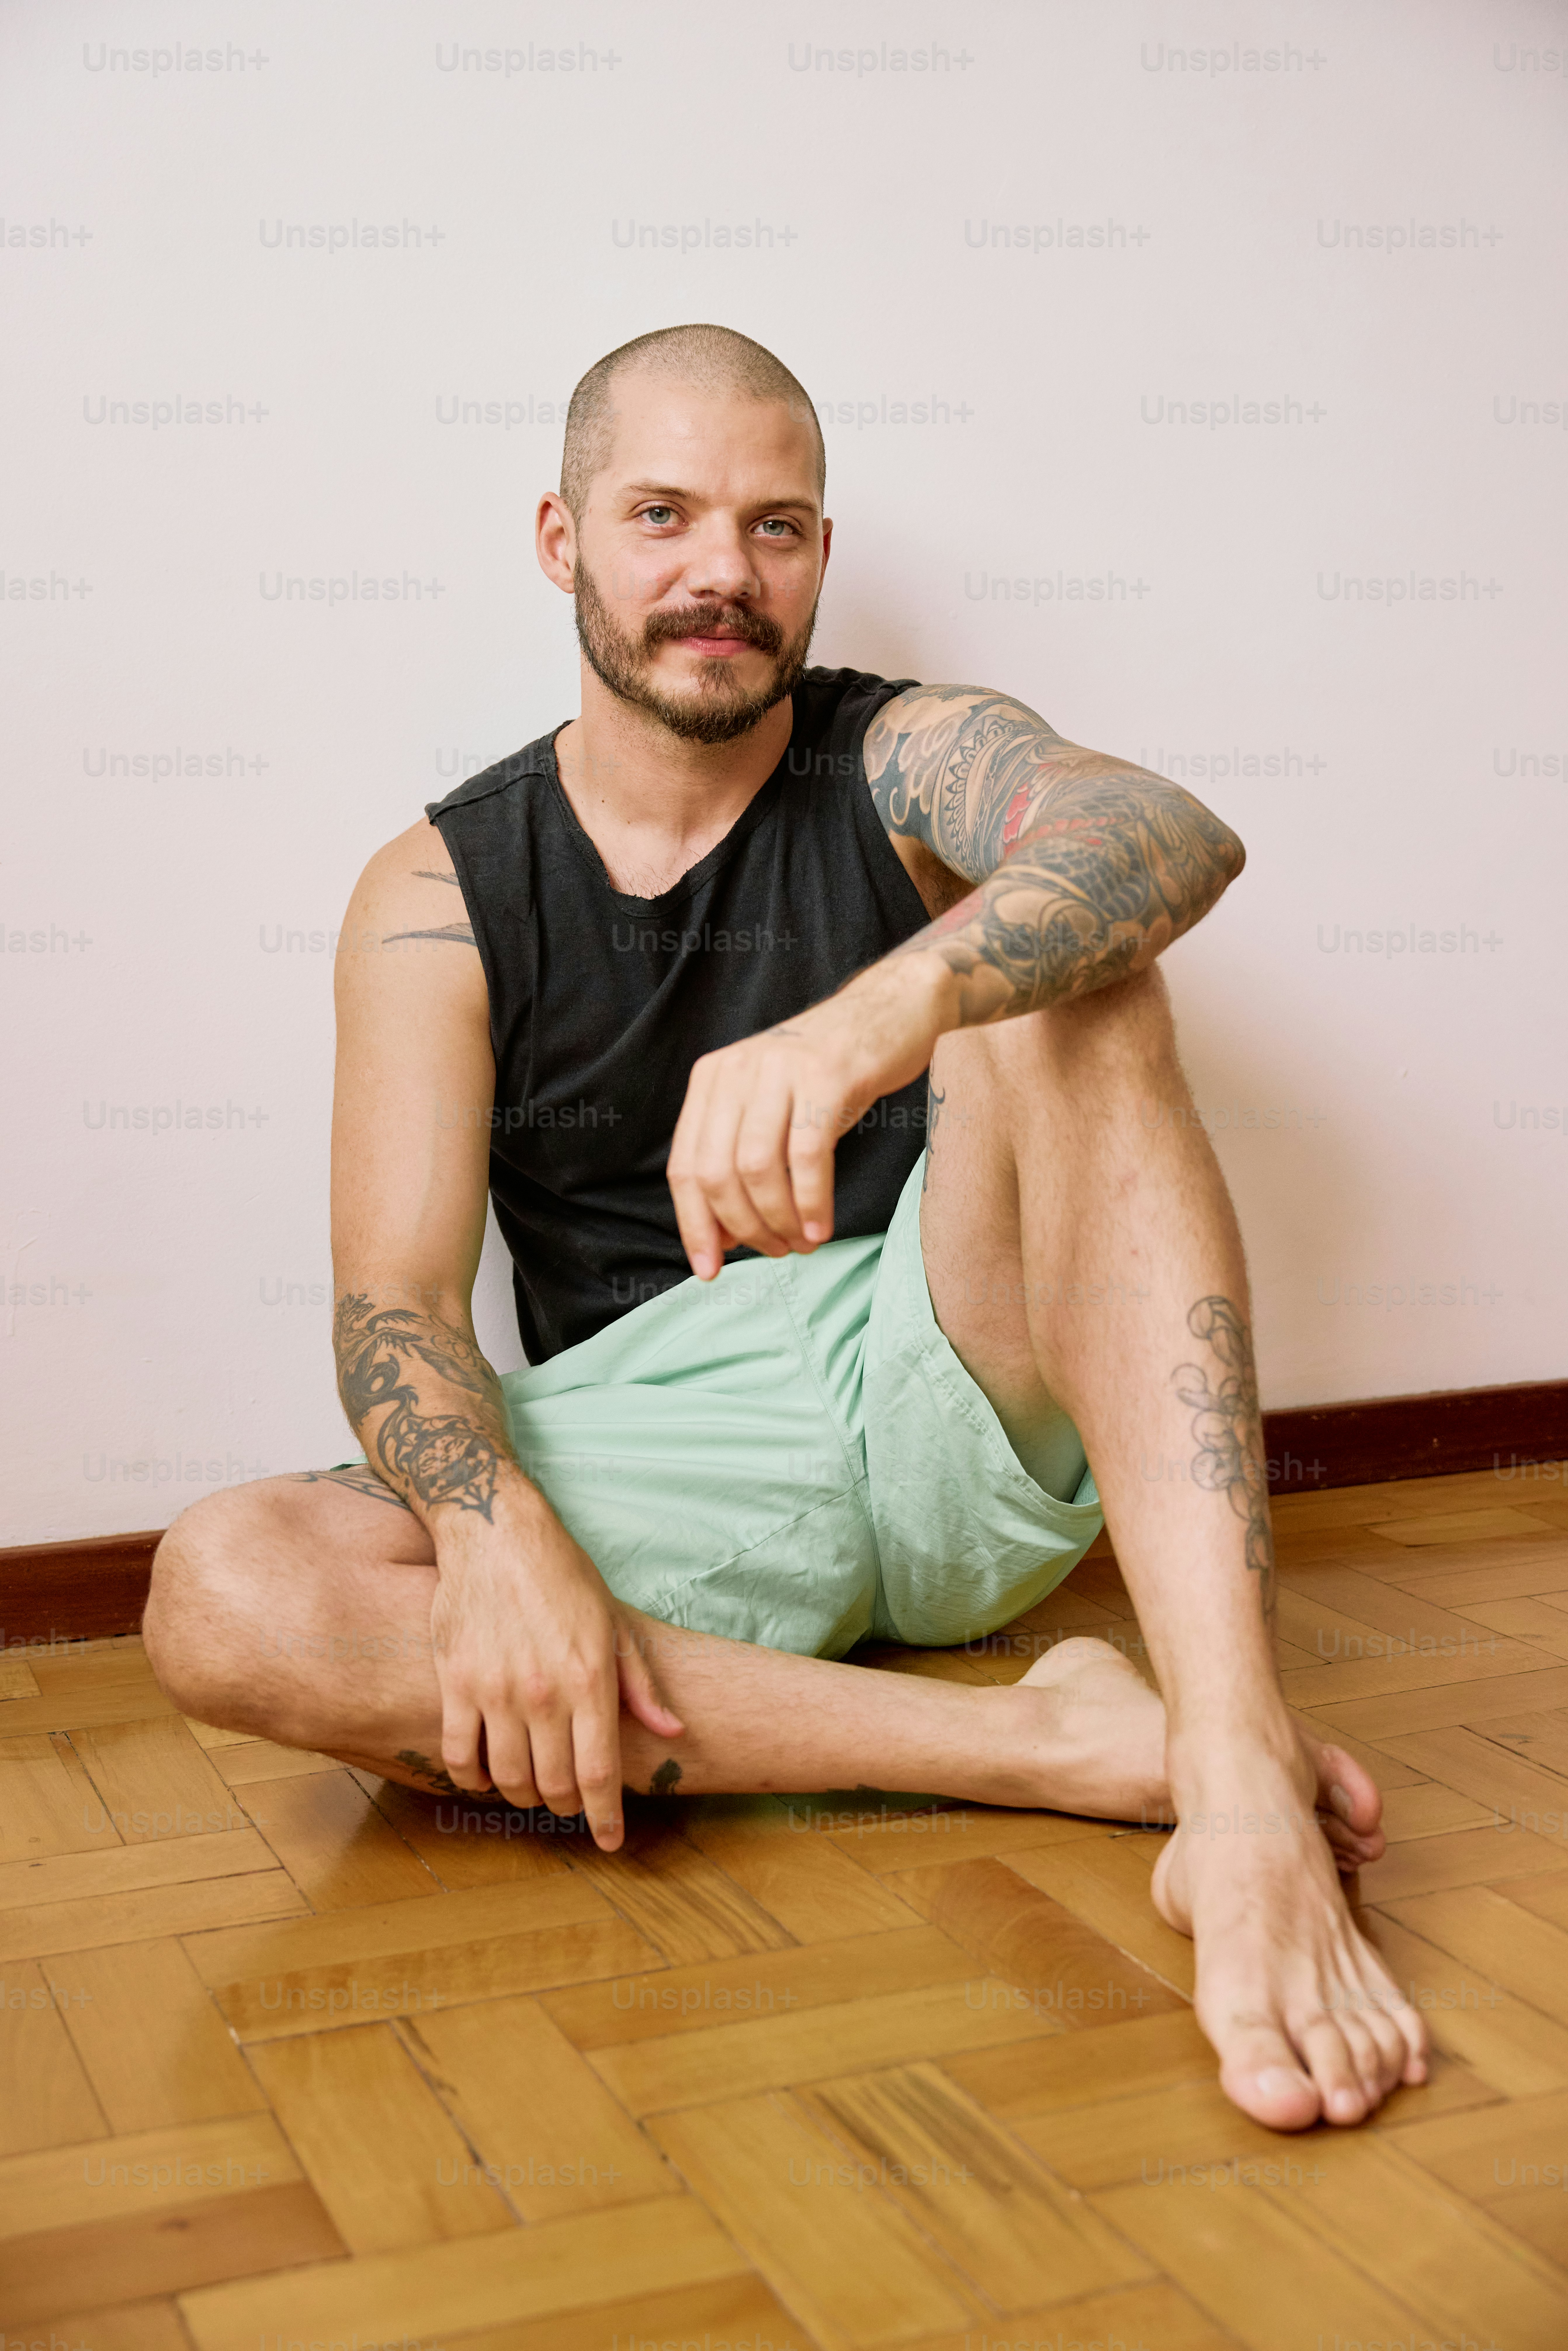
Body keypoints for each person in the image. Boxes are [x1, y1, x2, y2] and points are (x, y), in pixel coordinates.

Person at [143, 323, 1427, 2132]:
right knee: (225, 1591)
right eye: (661, 514)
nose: (719, 577)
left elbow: (1159, 830)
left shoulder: (902, 756)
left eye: (776, 527)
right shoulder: (433, 891)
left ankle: (1225, 1772)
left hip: (947, 1368)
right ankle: (1051, 1746)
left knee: (1079, 970)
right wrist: (495, 1531)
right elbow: (395, 1307)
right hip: (669, 1462)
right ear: (560, 539)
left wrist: (877, 1016)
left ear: (820, 551)